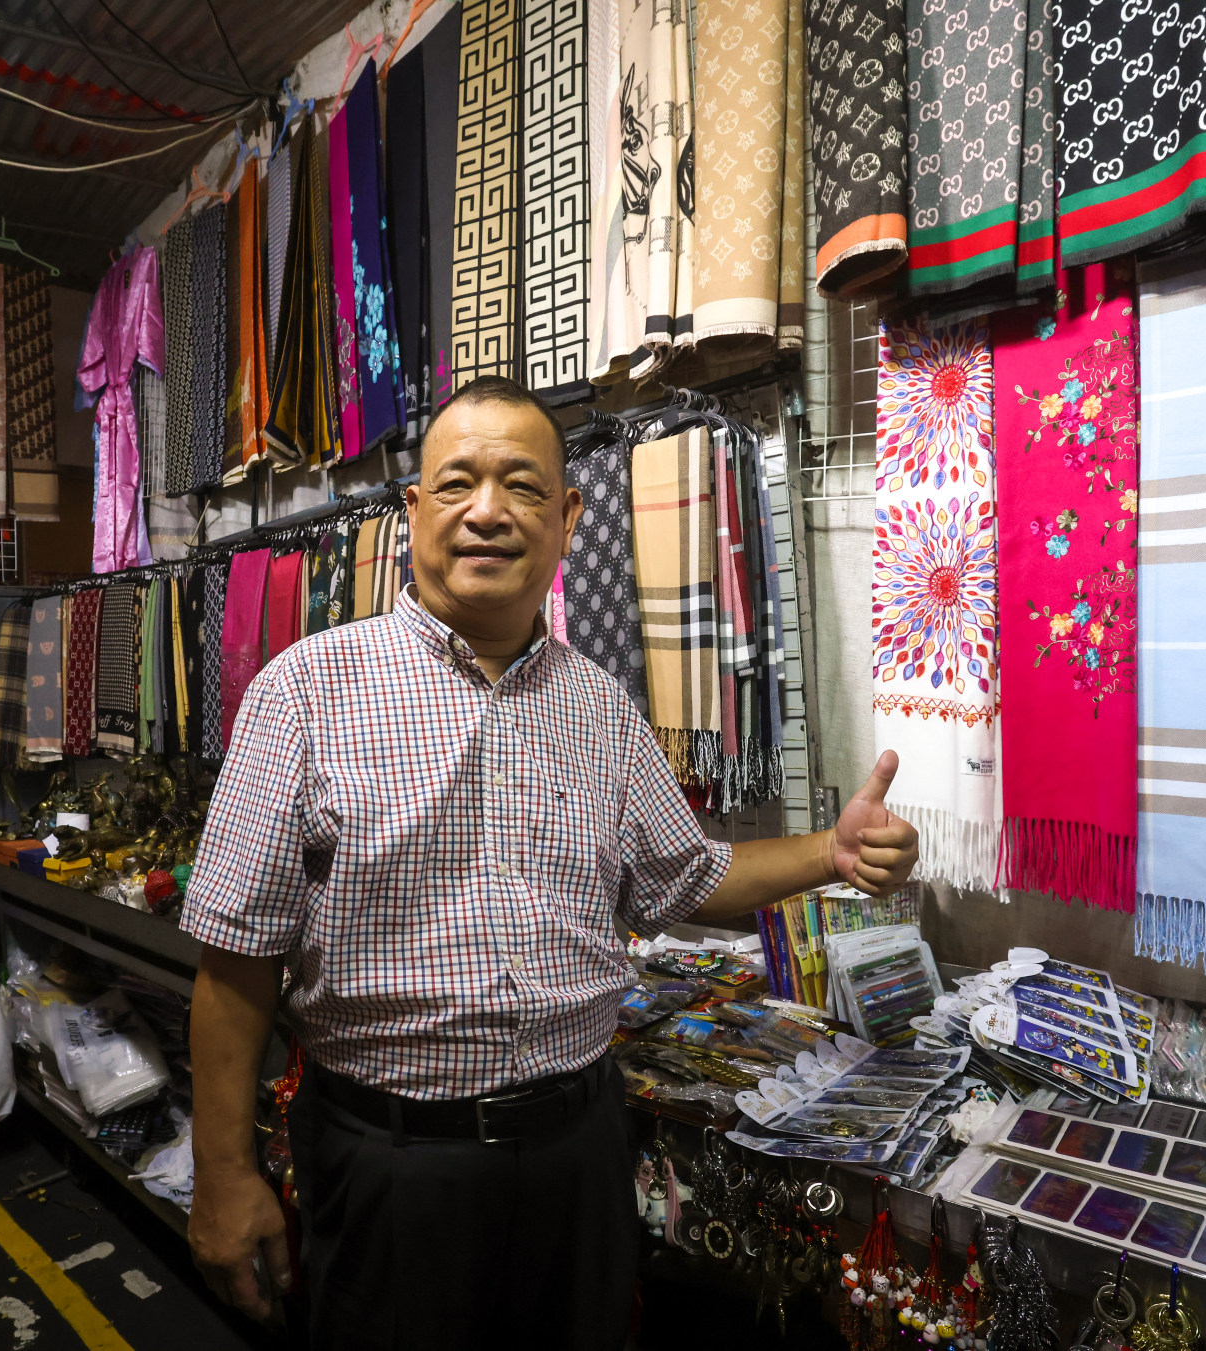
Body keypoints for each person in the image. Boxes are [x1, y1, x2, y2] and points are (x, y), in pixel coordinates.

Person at [179, 375, 920, 1348]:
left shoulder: (600, 706)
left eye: (522, 485)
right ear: (413, 513)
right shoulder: (308, 692)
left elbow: (686, 878)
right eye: (457, 483)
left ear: (566, 518)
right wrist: (222, 1175)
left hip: (579, 1149)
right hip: (393, 1166)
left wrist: (830, 850)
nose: (487, 510)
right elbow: (236, 958)